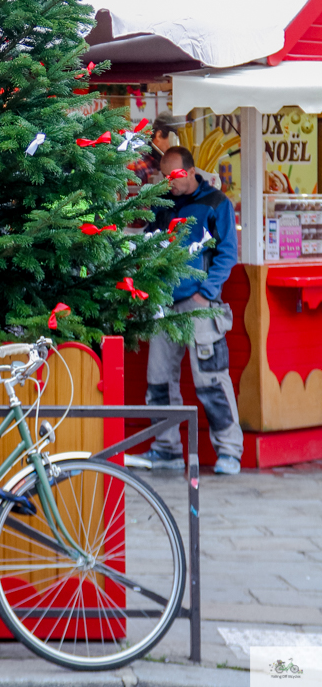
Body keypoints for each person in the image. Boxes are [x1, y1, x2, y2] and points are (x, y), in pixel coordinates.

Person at [127, 146, 244, 475]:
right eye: (165, 176)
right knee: (158, 382)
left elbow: (226, 254)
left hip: (200, 306)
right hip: (163, 305)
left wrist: (206, 295)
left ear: (192, 172)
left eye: (176, 176)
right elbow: (149, 247)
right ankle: (166, 450)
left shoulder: (217, 204)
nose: (170, 182)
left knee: (211, 380)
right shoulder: (162, 205)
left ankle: (230, 452)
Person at [128, 112, 181, 186]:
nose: (176, 146)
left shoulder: (167, 164)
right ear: (159, 135)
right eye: (174, 140)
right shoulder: (139, 166)